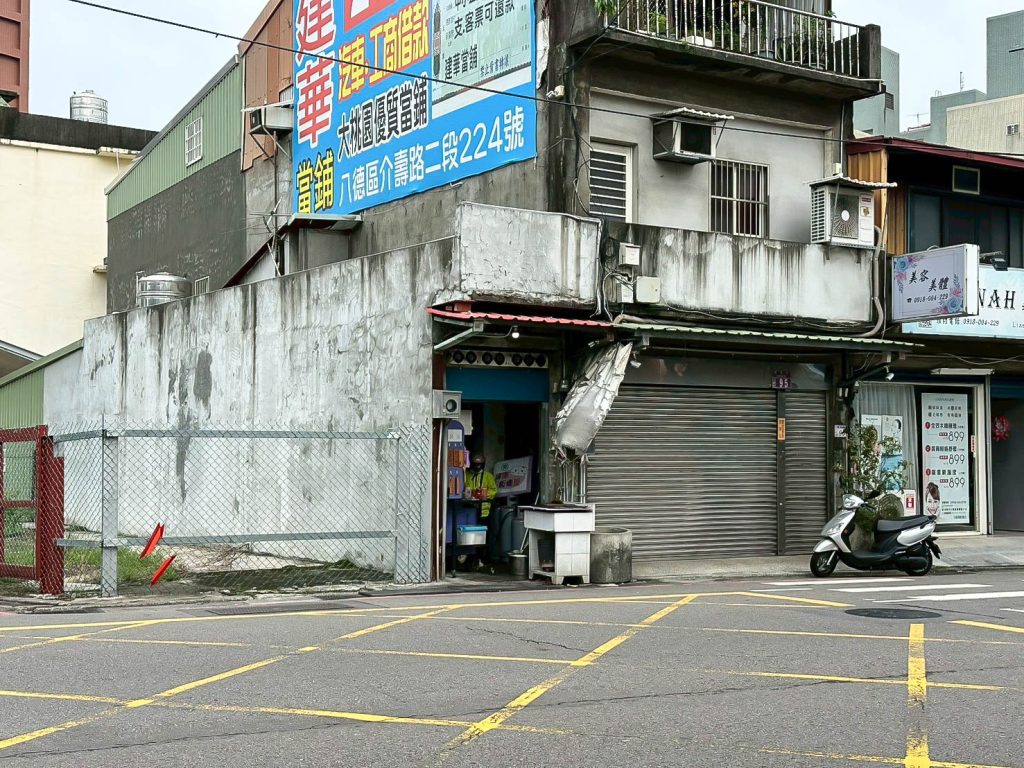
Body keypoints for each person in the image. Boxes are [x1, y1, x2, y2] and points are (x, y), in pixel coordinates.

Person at [464, 453, 498, 567]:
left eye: (479, 465)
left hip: (484, 509)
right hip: (469, 509)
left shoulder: (488, 476)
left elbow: (494, 490)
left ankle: (481, 557)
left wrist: (485, 495)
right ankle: (469, 556)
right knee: (468, 533)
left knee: (483, 535)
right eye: (475, 464)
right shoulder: (467, 474)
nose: (477, 467)